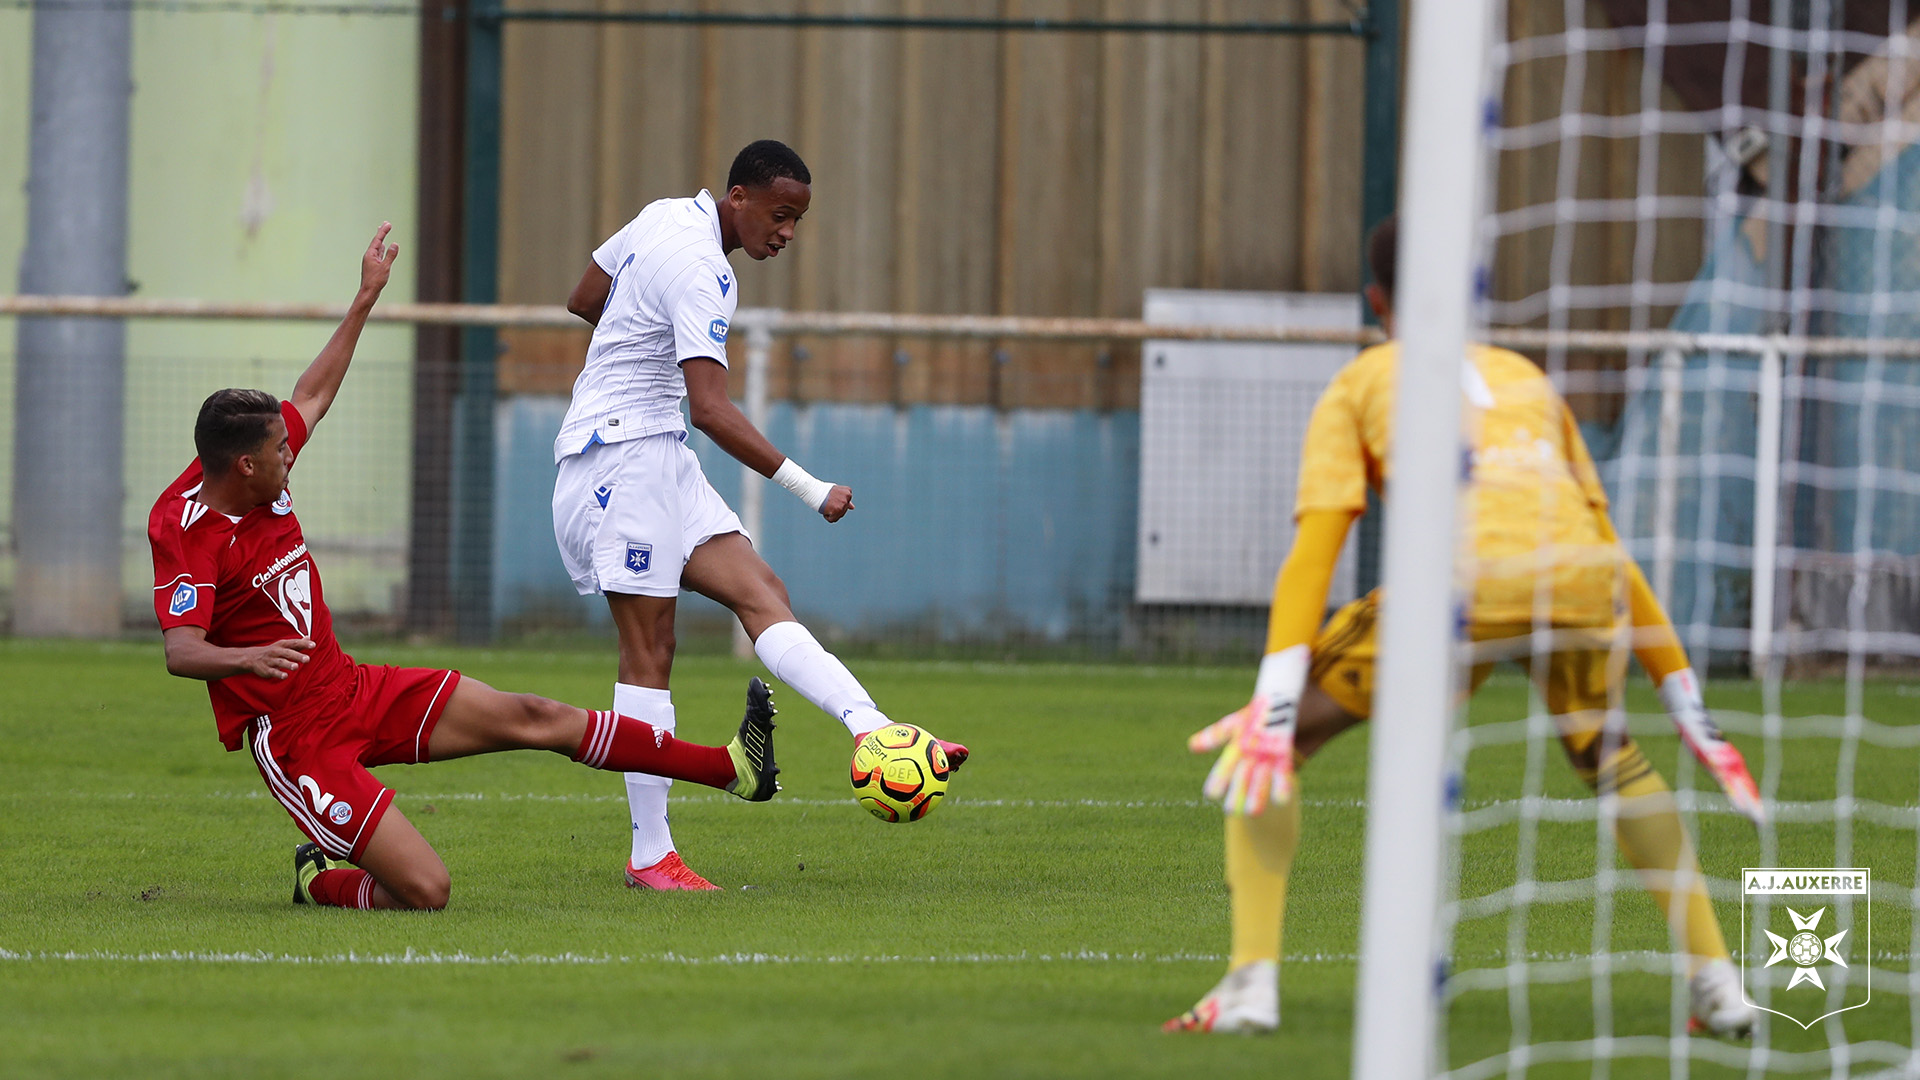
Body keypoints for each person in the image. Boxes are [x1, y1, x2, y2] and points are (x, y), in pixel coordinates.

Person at [1164, 216, 1763, 1036]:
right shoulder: (1523, 374)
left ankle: (1249, 985)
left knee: (1274, 747)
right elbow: (1607, 547)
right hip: (1583, 588)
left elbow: (1315, 550)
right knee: (1609, 751)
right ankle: (1719, 984)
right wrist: (1684, 691)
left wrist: (1272, 701)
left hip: (1458, 587)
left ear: (1376, 300)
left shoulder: (1364, 379)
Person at [148, 224, 780, 911]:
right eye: (279, 451)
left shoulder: (256, 463)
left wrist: (365, 297)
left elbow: (313, 396)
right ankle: (316, 878)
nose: (291, 451)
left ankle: (733, 769)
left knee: (535, 716)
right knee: (426, 891)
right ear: (244, 466)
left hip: (353, 687)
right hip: (297, 738)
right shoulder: (185, 531)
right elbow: (182, 650)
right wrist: (249, 660)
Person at [556, 139, 965, 891]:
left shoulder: (664, 214)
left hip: (657, 450)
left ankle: (873, 730)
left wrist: (632, 343)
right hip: (618, 457)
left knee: (761, 591)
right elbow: (711, 409)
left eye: (798, 220)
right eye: (780, 215)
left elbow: (585, 299)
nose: (786, 233)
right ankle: (651, 856)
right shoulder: (704, 272)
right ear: (738, 198)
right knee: (651, 648)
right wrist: (812, 489)